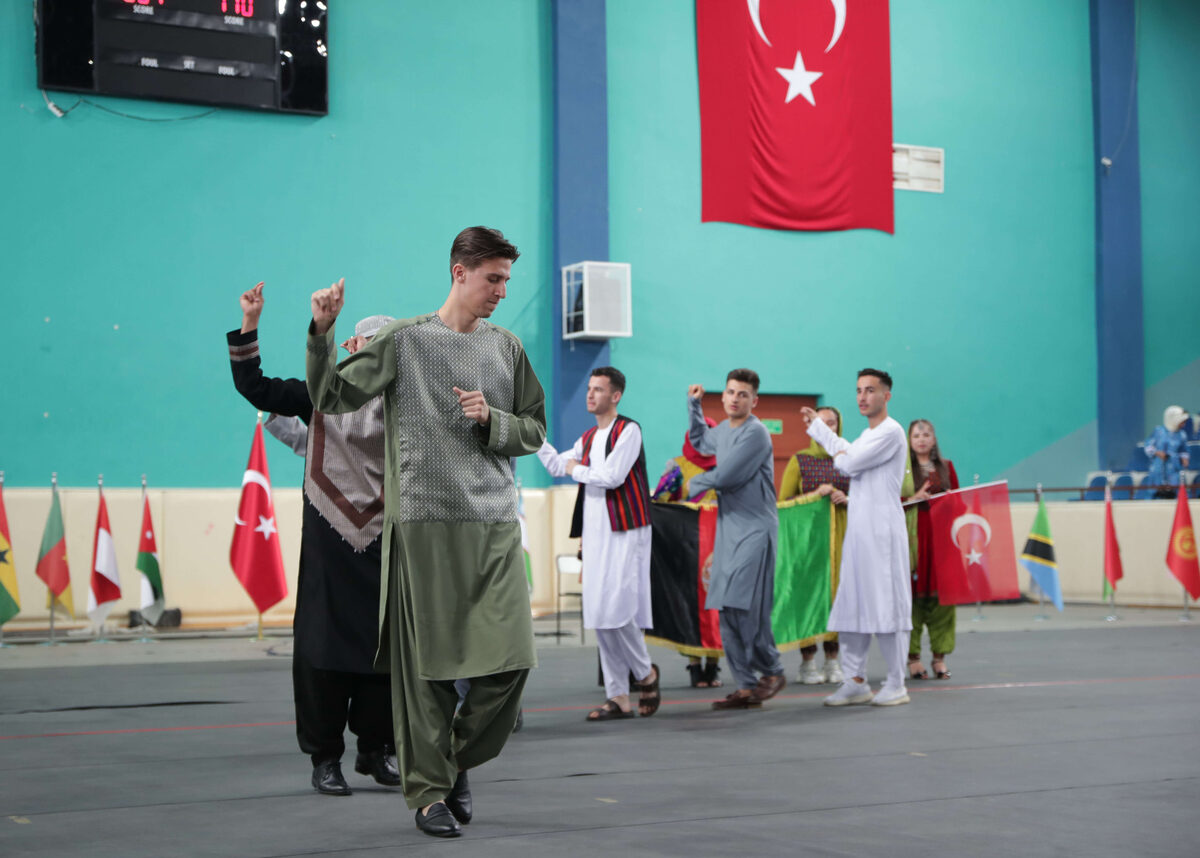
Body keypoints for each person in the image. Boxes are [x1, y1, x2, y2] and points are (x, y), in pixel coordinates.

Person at [305, 227, 546, 838]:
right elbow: (331, 395)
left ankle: (451, 760)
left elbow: (535, 431)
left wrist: (494, 422)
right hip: (424, 526)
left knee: (511, 662)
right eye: (493, 278)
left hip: (493, 524)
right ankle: (429, 795)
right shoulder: (404, 341)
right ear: (458, 272)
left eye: (506, 280)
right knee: (430, 674)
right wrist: (323, 332)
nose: (501, 290)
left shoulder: (507, 348)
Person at [227, 283, 400, 796]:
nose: (376, 358)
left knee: (383, 651)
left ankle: (376, 749)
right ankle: (325, 758)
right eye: (368, 346)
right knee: (322, 652)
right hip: (330, 539)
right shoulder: (318, 392)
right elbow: (255, 388)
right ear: (349, 349)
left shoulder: (407, 405)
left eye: (386, 350)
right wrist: (251, 321)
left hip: (387, 538)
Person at [537, 366, 661, 721]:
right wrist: (532, 436)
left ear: (615, 395)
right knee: (599, 614)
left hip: (625, 531)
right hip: (595, 533)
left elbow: (611, 477)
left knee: (619, 610)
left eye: (598, 389)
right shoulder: (589, 437)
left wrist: (577, 468)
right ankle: (618, 696)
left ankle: (645, 673)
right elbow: (557, 465)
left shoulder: (629, 431)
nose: (590, 394)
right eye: (589, 388)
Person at [801, 368, 912, 708]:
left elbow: (848, 466)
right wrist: (819, 429)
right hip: (859, 531)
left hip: (883, 533)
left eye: (870, 390)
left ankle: (896, 683)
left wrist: (828, 437)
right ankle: (855, 681)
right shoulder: (866, 435)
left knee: (887, 606)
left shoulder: (891, 432)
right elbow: (848, 454)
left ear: (886, 395)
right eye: (859, 390)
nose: (863, 396)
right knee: (852, 603)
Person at [686, 370, 787, 710]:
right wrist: (694, 406)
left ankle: (772, 670)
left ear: (753, 401)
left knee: (747, 607)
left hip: (757, 529)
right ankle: (745, 685)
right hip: (730, 528)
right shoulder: (725, 431)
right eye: (730, 392)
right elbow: (701, 441)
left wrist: (690, 487)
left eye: (742, 394)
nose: (734, 398)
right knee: (725, 608)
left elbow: (728, 476)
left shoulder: (756, 433)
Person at [778, 406, 847, 686]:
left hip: (844, 538)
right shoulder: (800, 460)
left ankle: (833, 660)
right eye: (822, 422)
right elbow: (784, 503)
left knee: (838, 600)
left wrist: (847, 496)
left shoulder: (848, 458)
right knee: (808, 600)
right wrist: (814, 496)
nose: (828, 427)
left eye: (832, 422)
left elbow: (867, 496)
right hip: (808, 544)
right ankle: (807, 663)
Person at [652, 418, 722, 688]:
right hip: (686, 546)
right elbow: (660, 501)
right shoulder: (677, 466)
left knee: (716, 607)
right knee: (689, 605)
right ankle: (694, 666)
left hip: (718, 548)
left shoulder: (725, 465)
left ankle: (714, 667)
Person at [902, 419, 959, 681]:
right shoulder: (901, 470)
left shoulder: (946, 468)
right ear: (909, 441)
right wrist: (913, 499)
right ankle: (912, 658)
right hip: (912, 541)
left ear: (934, 439)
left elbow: (959, 504)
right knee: (910, 601)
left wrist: (948, 503)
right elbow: (887, 501)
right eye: (916, 435)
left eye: (926, 434)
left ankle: (939, 658)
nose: (922, 439)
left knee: (943, 601)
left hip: (941, 542)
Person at [1144, 406, 1191, 498]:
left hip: (1174, 468)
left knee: (1177, 491)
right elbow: (1148, 446)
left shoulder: (1182, 435)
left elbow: (1184, 450)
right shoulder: (1159, 431)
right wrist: (1157, 452)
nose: (1183, 424)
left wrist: (1185, 458)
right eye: (1182, 422)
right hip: (1159, 467)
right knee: (1155, 492)